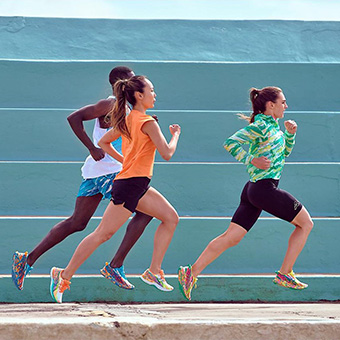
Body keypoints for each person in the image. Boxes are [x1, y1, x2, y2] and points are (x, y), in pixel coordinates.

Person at [12, 66, 153, 291]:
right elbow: (74, 117)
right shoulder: (110, 104)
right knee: (147, 211)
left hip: (95, 173)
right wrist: (92, 147)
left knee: (77, 222)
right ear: (122, 83)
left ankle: (27, 260)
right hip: (110, 173)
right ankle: (115, 266)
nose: (136, 82)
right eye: (132, 79)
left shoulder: (128, 110)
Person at [50, 75, 181, 303]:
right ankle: (63, 275)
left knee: (170, 218)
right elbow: (167, 154)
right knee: (103, 234)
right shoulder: (148, 122)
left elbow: (103, 143)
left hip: (136, 182)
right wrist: (176, 135)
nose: (155, 94)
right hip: (130, 186)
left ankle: (154, 271)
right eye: (152, 90)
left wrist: (125, 160)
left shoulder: (128, 120)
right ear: (139, 95)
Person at [178, 86, 314, 301]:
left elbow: (284, 154)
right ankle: (285, 273)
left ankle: (190, 272)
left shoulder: (274, 128)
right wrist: (252, 160)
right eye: (283, 102)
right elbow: (230, 143)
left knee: (231, 237)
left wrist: (290, 135)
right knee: (306, 224)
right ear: (271, 105)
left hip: (253, 189)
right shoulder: (260, 125)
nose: (286, 106)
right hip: (264, 189)